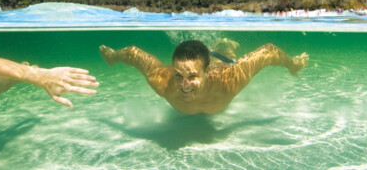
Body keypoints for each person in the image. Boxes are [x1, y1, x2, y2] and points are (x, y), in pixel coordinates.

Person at [99, 39, 308, 115]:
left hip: (219, 67)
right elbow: (134, 54)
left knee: (225, 58)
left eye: (192, 76)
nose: (184, 85)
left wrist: (293, 65)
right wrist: (112, 57)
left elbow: (269, 52)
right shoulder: (163, 81)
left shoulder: (230, 81)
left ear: (205, 73)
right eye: (178, 75)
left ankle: (223, 46)